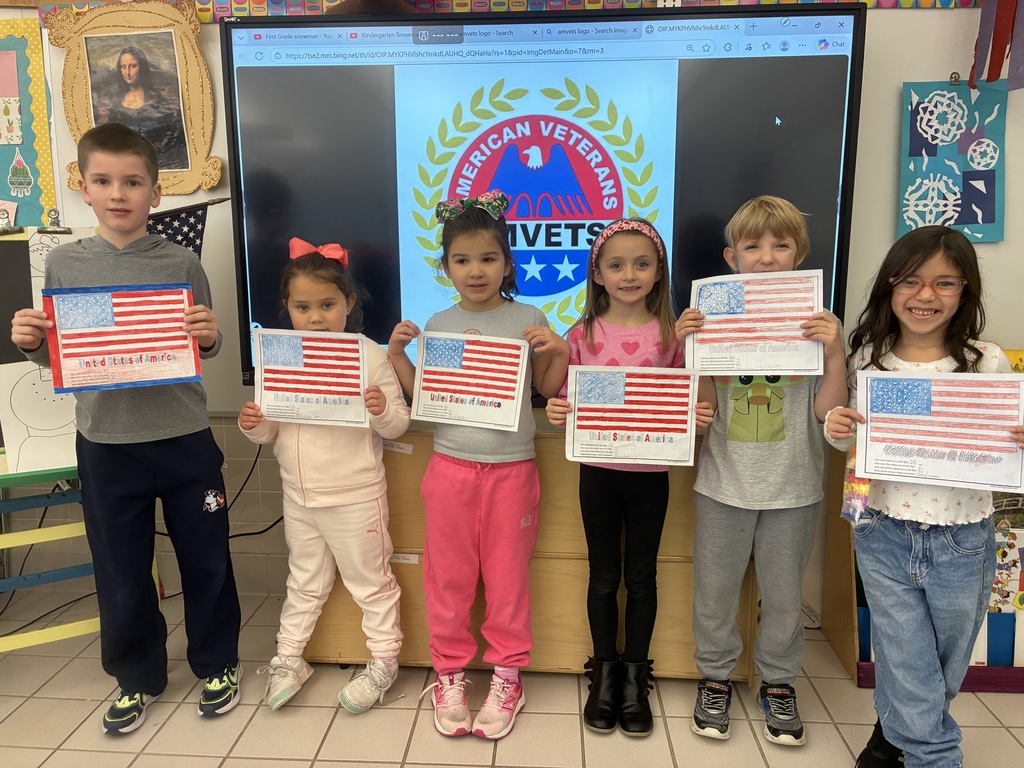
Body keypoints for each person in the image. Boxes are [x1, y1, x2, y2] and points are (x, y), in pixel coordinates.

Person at [9, 123, 242, 734]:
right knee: (120, 569)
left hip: (184, 436)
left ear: (155, 192)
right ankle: (136, 677)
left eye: (133, 182)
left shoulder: (182, 262)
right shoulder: (63, 264)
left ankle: (218, 663)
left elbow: (206, 344)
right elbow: (61, 354)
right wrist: (33, 344)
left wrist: (210, 335)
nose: (119, 193)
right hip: (107, 444)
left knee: (206, 558)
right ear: (82, 187)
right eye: (105, 181)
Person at [823, 225, 1024, 768]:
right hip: (881, 527)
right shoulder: (869, 353)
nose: (926, 295)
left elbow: (1005, 444)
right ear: (890, 287)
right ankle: (933, 755)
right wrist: (839, 427)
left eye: (945, 283)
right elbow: (845, 434)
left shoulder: (986, 362)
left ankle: (891, 738)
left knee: (941, 662)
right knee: (905, 651)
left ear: (966, 291)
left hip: (964, 537)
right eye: (910, 280)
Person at [387, 190, 569, 740]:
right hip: (449, 469)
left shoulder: (528, 317)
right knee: (449, 578)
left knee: (508, 579)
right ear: (445, 267)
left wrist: (557, 351)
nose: (476, 270)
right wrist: (397, 357)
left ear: (507, 264)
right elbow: (428, 401)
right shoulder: (439, 323)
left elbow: (545, 390)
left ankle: (508, 675)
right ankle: (448, 674)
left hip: (513, 469)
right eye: (462, 260)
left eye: (488, 259)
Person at [675, 195, 847, 746]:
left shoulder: (818, 323)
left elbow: (826, 411)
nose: (767, 257)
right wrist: (692, 350)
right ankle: (716, 676)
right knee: (715, 589)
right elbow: (702, 411)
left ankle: (778, 681)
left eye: (781, 246)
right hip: (722, 483)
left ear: (801, 255)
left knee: (782, 594)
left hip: (794, 487)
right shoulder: (712, 315)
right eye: (753, 246)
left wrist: (836, 352)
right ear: (731, 257)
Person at [545, 218, 714, 737]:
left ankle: (635, 676)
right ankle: (604, 673)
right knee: (602, 576)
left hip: (649, 474)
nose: (629, 274)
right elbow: (558, 390)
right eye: (616, 264)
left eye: (642, 263)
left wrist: (699, 406)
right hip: (597, 471)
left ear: (659, 271)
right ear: (597, 273)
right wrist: (557, 404)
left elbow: (700, 400)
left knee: (641, 577)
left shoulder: (672, 333)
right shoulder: (581, 334)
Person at [239, 237, 409, 713]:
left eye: (328, 305)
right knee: (304, 580)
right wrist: (253, 424)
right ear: (288, 309)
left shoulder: (369, 355)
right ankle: (289, 657)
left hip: (356, 498)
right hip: (300, 497)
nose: (315, 317)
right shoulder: (280, 357)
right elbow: (271, 429)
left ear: (349, 304)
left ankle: (384, 661)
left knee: (370, 581)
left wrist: (379, 410)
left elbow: (398, 422)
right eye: (303, 306)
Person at [100, 46, 188, 171]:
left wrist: (158, 147)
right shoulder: (116, 107)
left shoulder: (160, 102)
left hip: (161, 165)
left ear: (142, 67)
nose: (128, 72)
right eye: (123, 67)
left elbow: (174, 134)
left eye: (133, 66)